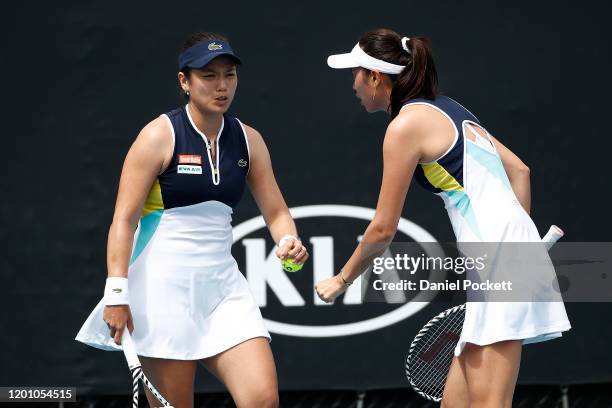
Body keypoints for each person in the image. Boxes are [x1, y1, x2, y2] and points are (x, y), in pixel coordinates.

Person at [314, 28, 570, 408]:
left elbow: (383, 228)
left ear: (375, 77)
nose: (351, 83)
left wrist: (342, 279)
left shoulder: (404, 126)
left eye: (354, 73)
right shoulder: (451, 109)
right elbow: (521, 171)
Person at [76, 32, 308, 408]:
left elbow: (277, 212)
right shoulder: (157, 136)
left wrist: (287, 241)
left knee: (263, 400)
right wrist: (116, 293)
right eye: (209, 76)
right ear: (184, 81)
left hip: (223, 290)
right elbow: (124, 220)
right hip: (161, 292)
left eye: (229, 75)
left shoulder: (249, 140)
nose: (222, 86)